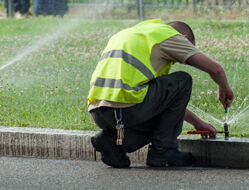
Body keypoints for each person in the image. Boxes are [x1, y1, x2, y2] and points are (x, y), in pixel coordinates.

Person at [87, 19, 234, 168]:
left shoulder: (133, 34)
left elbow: (163, 104)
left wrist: (198, 122)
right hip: (127, 108)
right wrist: (224, 88)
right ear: (185, 39)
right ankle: (163, 149)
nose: (177, 62)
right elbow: (216, 70)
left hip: (99, 112)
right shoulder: (168, 36)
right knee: (183, 80)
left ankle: (113, 142)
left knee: (162, 109)